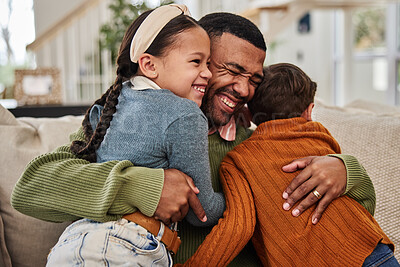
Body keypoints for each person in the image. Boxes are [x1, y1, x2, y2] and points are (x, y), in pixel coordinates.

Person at [11, 12, 375, 266]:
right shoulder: (120, 121)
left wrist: (345, 170)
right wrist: (146, 186)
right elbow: (31, 188)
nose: (243, 89)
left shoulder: (257, 145)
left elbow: (353, 216)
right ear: (194, 59)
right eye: (229, 69)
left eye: (255, 79)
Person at [45, 4, 226, 266]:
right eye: (196, 61)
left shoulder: (107, 107)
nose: (208, 73)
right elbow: (202, 212)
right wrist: (237, 195)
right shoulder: (184, 115)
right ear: (149, 65)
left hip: (73, 242)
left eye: (209, 63)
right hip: (126, 247)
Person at [181, 63, 397, 266]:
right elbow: (358, 202)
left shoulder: (238, 160)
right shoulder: (320, 137)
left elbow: (239, 226)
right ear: (310, 111)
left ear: (249, 113)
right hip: (371, 251)